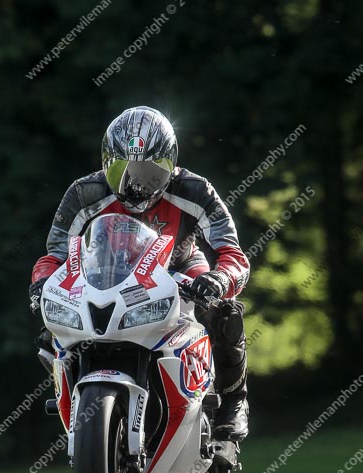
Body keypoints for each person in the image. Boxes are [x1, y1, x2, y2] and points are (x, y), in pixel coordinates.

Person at [29, 106, 250, 441]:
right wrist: (41, 285)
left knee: (224, 310)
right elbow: (55, 255)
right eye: (123, 169)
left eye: (150, 172)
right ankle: (75, 391)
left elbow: (232, 253)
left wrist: (219, 279)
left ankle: (234, 401)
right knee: (53, 335)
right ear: (106, 163)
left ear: (171, 164)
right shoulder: (83, 193)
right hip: (103, 274)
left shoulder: (196, 190)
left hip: (180, 268)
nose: (135, 185)